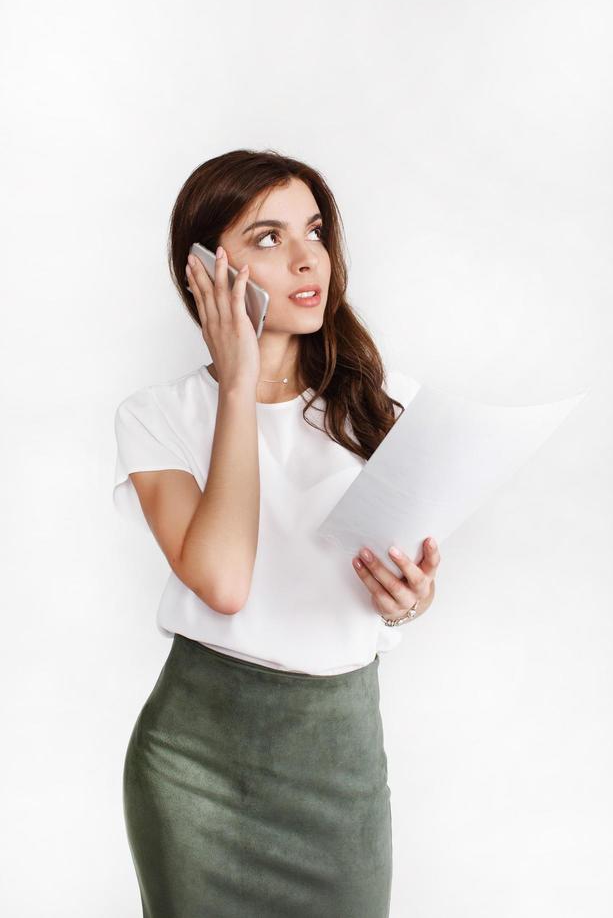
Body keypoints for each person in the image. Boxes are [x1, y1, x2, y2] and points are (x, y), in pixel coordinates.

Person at [112, 149, 441, 918]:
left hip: (343, 767)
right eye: (267, 238)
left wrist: (408, 601)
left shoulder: (384, 406)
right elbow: (224, 582)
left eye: (316, 232)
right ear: (204, 269)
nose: (306, 259)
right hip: (196, 767)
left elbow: (401, 590)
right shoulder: (157, 417)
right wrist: (236, 384)